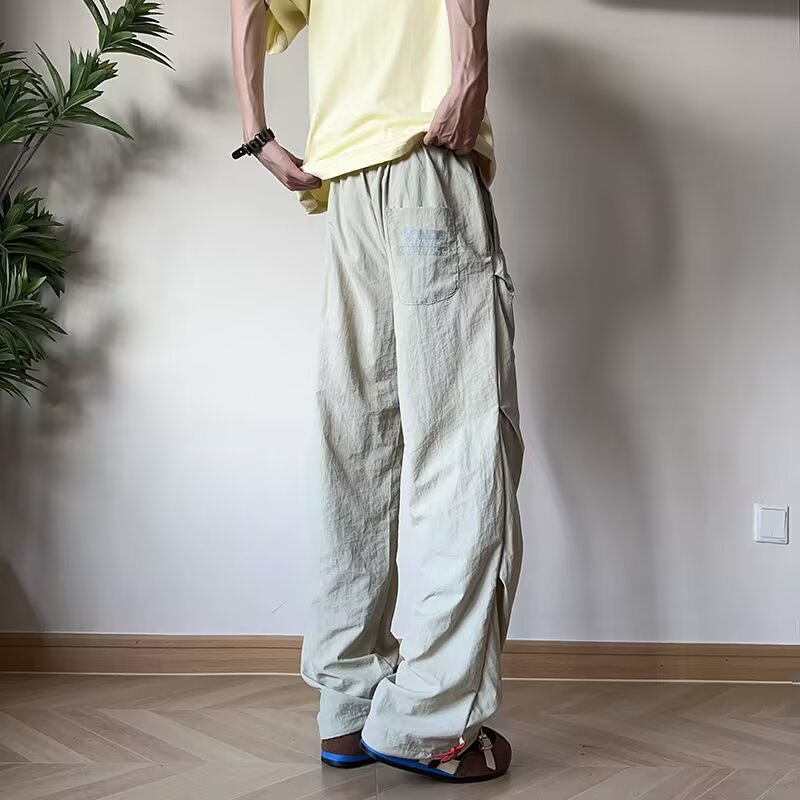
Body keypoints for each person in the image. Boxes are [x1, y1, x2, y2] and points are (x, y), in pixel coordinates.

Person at [230, 0, 524, 784]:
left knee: (356, 442)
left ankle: (349, 704)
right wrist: (469, 71)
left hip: (349, 182)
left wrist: (257, 132)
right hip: (427, 152)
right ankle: (431, 725)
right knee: (461, 441)